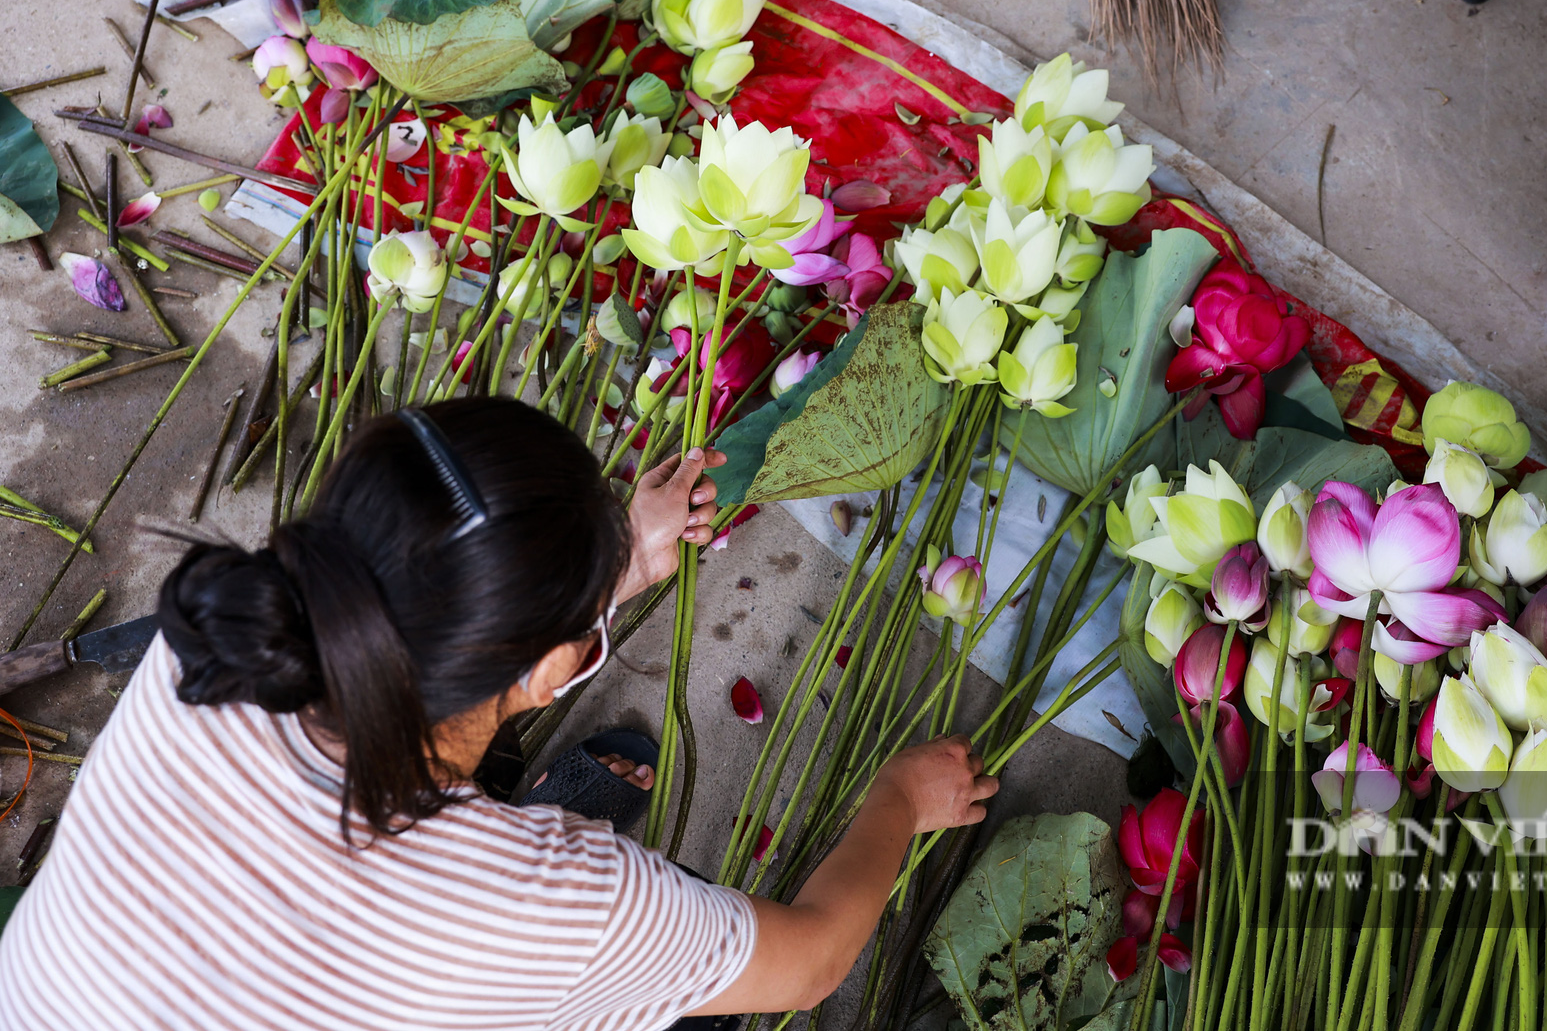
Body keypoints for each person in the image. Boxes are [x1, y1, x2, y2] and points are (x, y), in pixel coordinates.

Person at [0, 398, 997, 1030]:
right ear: (556, 665)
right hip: (482, 920)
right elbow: (812, 962)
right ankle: (512, 820)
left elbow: (411, 616)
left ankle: (491, 800)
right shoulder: (558, 908)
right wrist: (900, 796)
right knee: (690, 995)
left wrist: (612, 577)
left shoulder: (216, 640)